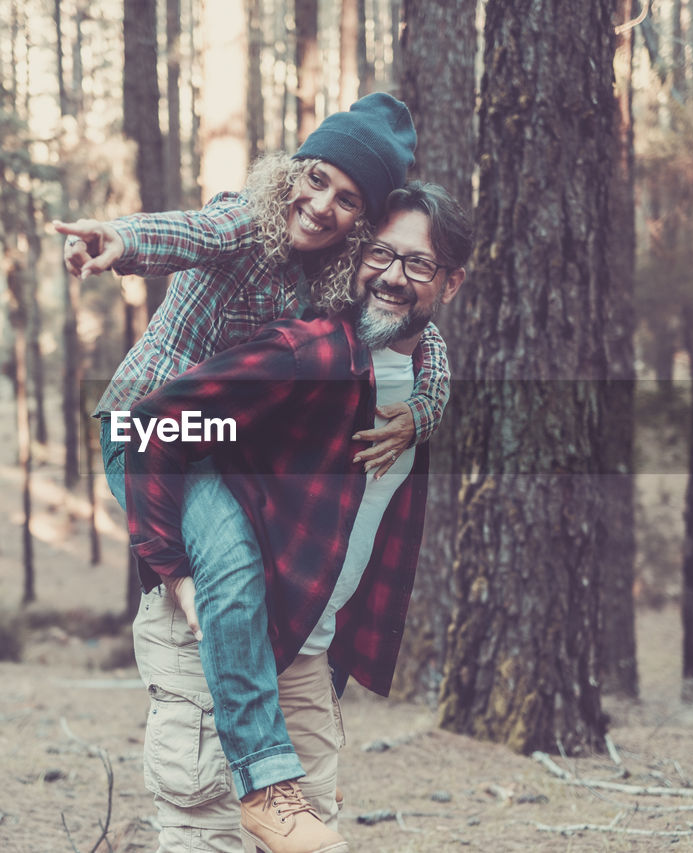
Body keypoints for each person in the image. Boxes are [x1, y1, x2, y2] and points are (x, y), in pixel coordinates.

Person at [55, 95, 452, 848]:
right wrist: (117, 239)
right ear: (294, 169)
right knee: (227, 566)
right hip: (147, 426)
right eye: (318, 179)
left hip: (211, 447)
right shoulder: (253, 217)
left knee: (241, 563)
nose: (322, 205)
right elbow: (191, 230)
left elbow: (423, 339)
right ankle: (265, 782)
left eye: (347, 200)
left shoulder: (344, 271)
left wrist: (423, 414)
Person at [125, 183, 470, 853]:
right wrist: (172, 568)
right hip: (214, 635)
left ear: (452, 282)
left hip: (305, 650)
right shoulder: (309, 352)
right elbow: (151, 428)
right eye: (380, 253)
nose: (393, 276)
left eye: (418, 263)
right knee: (208, 837)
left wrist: (425, 416)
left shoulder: (423, 365)